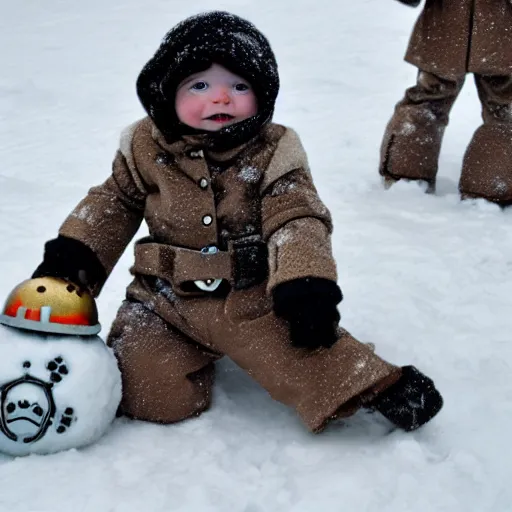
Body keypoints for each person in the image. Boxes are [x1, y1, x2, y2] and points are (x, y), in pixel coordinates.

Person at [32, 11, 442, 433]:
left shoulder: (273, 150)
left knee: (306, 354)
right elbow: (112, 203)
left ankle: (381, 385)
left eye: (239, 86)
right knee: (146, 393)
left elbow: (296, 218)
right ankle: (186, 361)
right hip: (162, 301)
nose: (221, 98)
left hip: (253, 299)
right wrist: (74, 258)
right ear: (167, 91)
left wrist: (305, 282)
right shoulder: (143, 146)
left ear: (261, 94)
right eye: (200, 85)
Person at [380, 0, 512, 205]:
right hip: (500, 25)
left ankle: (405, 172)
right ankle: (490, 187)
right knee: (504, 108)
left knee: (428, 99)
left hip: (446, 22)